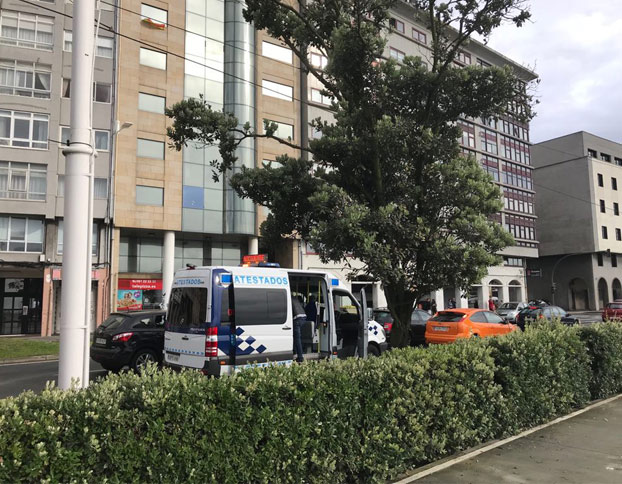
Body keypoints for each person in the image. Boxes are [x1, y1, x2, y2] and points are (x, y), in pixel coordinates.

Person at [291, 295, 306, 363]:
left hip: (297, 318)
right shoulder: (294, 298)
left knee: (297, 339)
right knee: (296, 337)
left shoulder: (289, 298)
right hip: (303, 317)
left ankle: (300, 357)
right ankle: (295, 352)